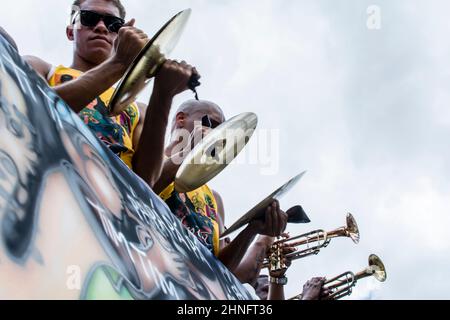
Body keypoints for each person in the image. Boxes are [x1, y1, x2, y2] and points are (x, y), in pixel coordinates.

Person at [24, 0, 198, 188]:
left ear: (121, 34)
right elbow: (32, 112)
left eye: (113, 24)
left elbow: (146, 180)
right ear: (70, 31)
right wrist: (119, 63)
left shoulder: (138, 109)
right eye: (89, 18)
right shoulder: (40, 68)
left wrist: (163, 94)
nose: (101, 27)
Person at [153, 99, 289, 273]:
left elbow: (220, 270)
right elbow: (138, 189)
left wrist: (253, 228)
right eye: (211, 124)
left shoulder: (215, 199)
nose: (217, 134)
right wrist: (188, 151)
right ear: (181, 119)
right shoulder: (152, 159)